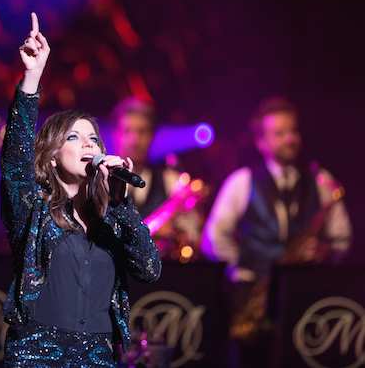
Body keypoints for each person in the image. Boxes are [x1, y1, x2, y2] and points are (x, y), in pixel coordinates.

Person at [0, 13, 162, 367]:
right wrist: (32, 78)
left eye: (93, 137)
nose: (89, 144)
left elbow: (149, 269)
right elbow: (15, 159)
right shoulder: (33, 210)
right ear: (53, 157)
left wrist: (120, 204)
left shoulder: (111, 220)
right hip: (37, 354)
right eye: (74, 137)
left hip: (99, 357)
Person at [200, 96, 352, 367]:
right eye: (280, 133)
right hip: (253, 295)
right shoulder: (242, 181)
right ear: (261, 142)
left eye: (293, 131)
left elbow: (343, 237)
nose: (290, 139)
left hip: (304, 295)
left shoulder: (321, 181)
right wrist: (242, 271)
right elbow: (214, 239)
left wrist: (327, 251)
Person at [110, 97, 204, 261]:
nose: (134, 140)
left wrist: (175, 234)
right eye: (127, 131)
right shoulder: (94, 182)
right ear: (115, 134)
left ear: (152, 135)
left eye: (142, 131)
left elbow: (192, 237)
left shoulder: (171, 180)